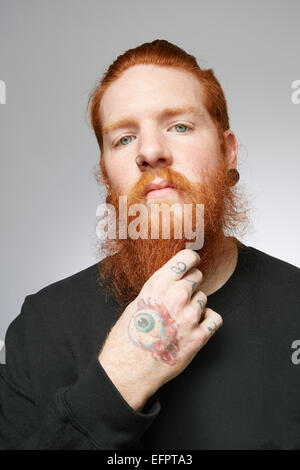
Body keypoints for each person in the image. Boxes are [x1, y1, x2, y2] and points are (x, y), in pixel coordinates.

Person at [0, 39, 299, 450]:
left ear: (228, 152)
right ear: (107, 177)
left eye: (179, 126)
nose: (151, 152)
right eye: (124, 138)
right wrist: (120, 380)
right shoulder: (41, 327)